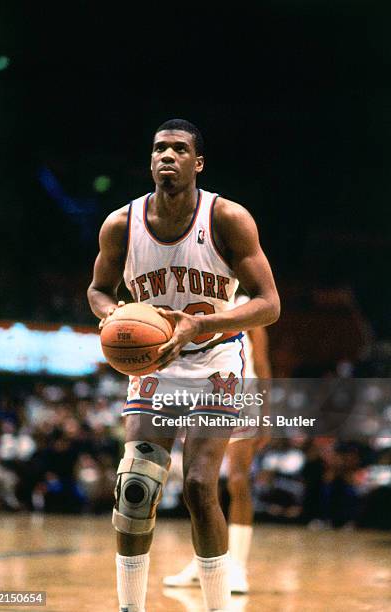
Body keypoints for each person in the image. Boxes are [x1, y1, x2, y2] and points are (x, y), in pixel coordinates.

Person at [87, 118, 280, 612]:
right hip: (154, 366)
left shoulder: (228, 218)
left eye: (178, 149)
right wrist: (116, 318)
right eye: (158, 149)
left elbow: (269, 303)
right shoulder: (120, 224)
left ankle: (218, 605)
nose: (166, 156)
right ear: (150, 160)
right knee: (136, 486)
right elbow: (98, 290)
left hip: (217, 360)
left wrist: (202, 325)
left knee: (199, 485)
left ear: (198, 163)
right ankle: (131, 606)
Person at [163, 293, 272, 594]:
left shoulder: (247, 303)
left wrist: (265, 414)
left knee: (237, 481)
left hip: (242, 395)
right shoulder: (196, 298)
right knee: (198, 485)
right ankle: (203, 561)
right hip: (204, 396)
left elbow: (261, 363)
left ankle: (238, 566)